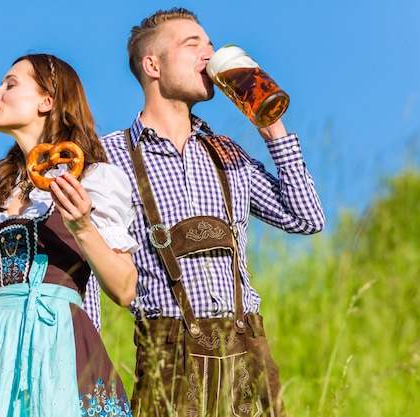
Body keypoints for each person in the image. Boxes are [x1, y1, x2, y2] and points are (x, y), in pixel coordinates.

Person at [83, 8, 326, 417]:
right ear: (152, 65)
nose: (209, 55)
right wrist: (88, 372)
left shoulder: (228, 151)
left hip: (247, 344)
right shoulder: (109, 157)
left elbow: (306, 219)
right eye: (192, 45)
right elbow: (90, 265)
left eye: (210, 46)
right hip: (167, 349)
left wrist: (273, 130)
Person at [0, 53, 137, 417]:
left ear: (47, 101)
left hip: (61, 341)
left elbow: (125, 288)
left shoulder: (94, 179)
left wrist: (83, 225)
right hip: (1, 341)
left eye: (10, 84)